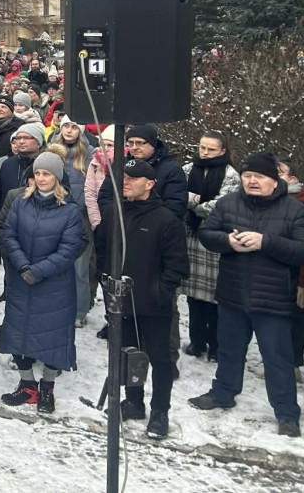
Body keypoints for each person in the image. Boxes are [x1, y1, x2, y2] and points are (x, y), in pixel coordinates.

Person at [190, 151, 304, 436]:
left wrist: (266, 242)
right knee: (229, 350)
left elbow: (301, 250)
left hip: (273, 298)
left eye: (259, 176)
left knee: (277, 357)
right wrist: (227, 241)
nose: (252, 181)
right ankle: (223, 393)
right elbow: (206, 233)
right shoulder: (229, 202)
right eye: (247, 176)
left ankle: (287, 413)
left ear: (274, 180)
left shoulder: (294, 209)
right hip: (233, 292)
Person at [95, 158, 189, 440]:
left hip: (153, 304)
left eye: (133, 178)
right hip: (120, 301)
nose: (125, 182)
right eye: (123, 177)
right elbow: (101, 248)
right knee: (126, 353)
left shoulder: (166, 220)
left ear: (149, 184)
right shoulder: (113, 212)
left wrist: (160, 292)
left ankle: (160, 410)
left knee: (160, 359)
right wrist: (105, 283)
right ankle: (133, 401)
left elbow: (177, 266)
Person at [0, 150, 82, 414]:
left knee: (52, 338)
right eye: (37, 173)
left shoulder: (70, 211)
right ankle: (27, 385)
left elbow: (68, 250)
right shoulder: (20, 202)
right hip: (22, 279)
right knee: (18, 332)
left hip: (54, 285)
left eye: (47, 173)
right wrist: (23, 265)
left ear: (57, 177)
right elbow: (9, 234)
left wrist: (38, 270)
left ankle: (47, 386)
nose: (41, 178)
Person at [181, 132, 240, 361]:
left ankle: (216, 345)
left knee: (214, 298)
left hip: (215, 238)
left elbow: (221, 206)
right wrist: (197, 200)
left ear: (223, 151)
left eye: (211, 149)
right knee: (193, 296)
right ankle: (197, 341)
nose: (204, 153)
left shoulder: (231, 175)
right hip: (190, 236)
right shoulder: (188, 169)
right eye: (202, 147)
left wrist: (194, 203)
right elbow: (177, 193)